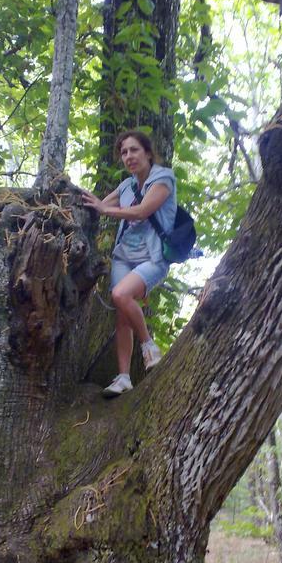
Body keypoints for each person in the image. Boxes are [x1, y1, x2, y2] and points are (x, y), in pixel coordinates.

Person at [82, 130, 177, 397]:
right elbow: (98, 204)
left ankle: (149, 346)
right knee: (121, 315)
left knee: (120, 294)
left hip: (153, 256)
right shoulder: (125, 186)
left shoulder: (163, 178)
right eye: (124, 152)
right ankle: (123, 377)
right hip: (124, 256)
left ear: (147, 153)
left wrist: (104, 210)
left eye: (134, 150)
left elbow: (142, 210)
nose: (128, 156)